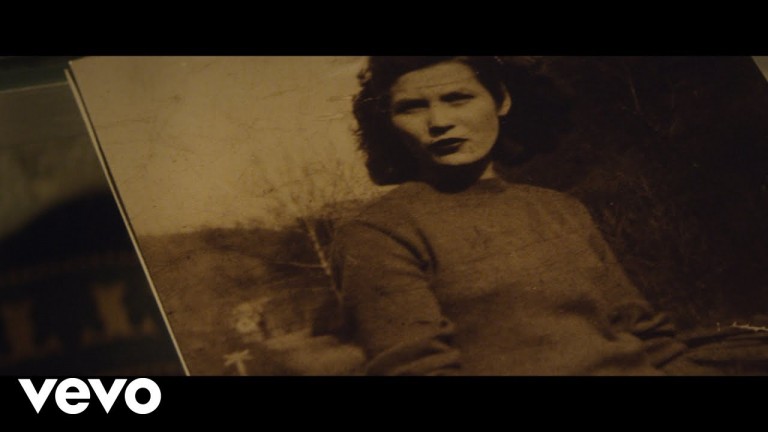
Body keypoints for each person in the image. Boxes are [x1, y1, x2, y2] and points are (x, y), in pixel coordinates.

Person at [330, 56, 690, 376]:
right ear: (389, 122)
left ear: (501, 100)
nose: (439, 121)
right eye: (411, 108)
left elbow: (648, 336)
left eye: (458, 98)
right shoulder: (378, 232)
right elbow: (416, 368)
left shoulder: (560, 208)